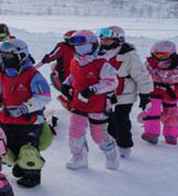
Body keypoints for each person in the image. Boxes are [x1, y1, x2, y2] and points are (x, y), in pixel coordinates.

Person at [0, 39, 51, 188]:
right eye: (3, 55)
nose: (4, 58)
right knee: (7, 147)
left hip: (29, 121)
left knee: (28, 150)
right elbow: (1, 87)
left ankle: (32, 174)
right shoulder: (3, 73)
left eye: (8, 55)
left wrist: (24, 108)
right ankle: (20, 165)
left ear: (21, 55)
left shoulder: (32, 75)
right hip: (7, 118)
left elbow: (44, 97)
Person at [63, 30, 120, 170]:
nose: (79, 48)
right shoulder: (75, 61)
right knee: (75, 131)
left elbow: (112, 82)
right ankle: (79, 157)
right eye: (76, 45)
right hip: (78, 104)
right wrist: (66, 84)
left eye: (83, 45)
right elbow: (74, 76)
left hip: (97, 106)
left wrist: (93, 89)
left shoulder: (101, 63)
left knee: (98, 136)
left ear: (93, 44)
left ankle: (111, 153)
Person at [98, 26, 153, 158]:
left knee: (121, 121)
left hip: (124, 95)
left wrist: (145, 95)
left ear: (119, 40)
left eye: (108, 39)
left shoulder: (130, 56)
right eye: (102, 39)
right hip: (106, 94)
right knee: (109, 122)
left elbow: (142, 76)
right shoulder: (99, 53)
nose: (104, 42)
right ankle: (113, 141)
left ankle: (124, 147)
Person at [142, 40, 178, 145]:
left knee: (171, 114)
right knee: (152, 110)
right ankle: (151, 133)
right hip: (154, 90)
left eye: (163, 55)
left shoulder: (176, 64)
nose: (159, 57)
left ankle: (171, 135)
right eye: (156, 54)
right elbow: (143, 75)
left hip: (171, 92)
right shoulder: (150, 63)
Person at [40, 31, 76, 96]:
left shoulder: (79, 48)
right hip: (64, 74)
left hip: (76, 74)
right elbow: (53, 55)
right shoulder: (62, 47)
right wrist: (46, 59)